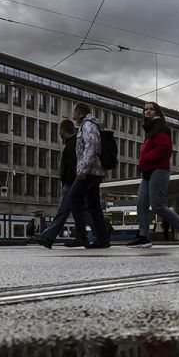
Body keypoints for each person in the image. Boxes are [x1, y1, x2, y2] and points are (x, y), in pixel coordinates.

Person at [125, 102, 179, 249]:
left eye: (151, 109)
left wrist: (145, 159)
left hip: (159, 170)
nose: (147, 112)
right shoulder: (150, 130)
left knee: (157, 205)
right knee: (141, 202)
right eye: (145, 110)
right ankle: (144, 236)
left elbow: (165, 149)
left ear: (157, 112)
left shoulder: (161, 128)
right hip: (148, 171)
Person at [33, 119, 89, 248]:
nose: (58, 132)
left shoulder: (72, 145)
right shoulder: (72, 144)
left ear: (63, 130)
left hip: (71, 184)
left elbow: (72, 166)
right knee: (65, 212)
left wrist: (68, 181)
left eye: (59, 129)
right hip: (70, 183)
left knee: (75, 212)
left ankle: (93, 235)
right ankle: (48, 237)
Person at [70, 102, 112, 249]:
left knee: (73, 197)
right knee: (94, 206)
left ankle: (81, 236)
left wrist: (83, 168)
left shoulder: (88, 125)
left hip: (90, 171)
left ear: (80, 112)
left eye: (74, 111)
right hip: (95, 171)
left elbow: (91, 145)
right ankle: (103, 239)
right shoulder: (89, 124)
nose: (72, 114)